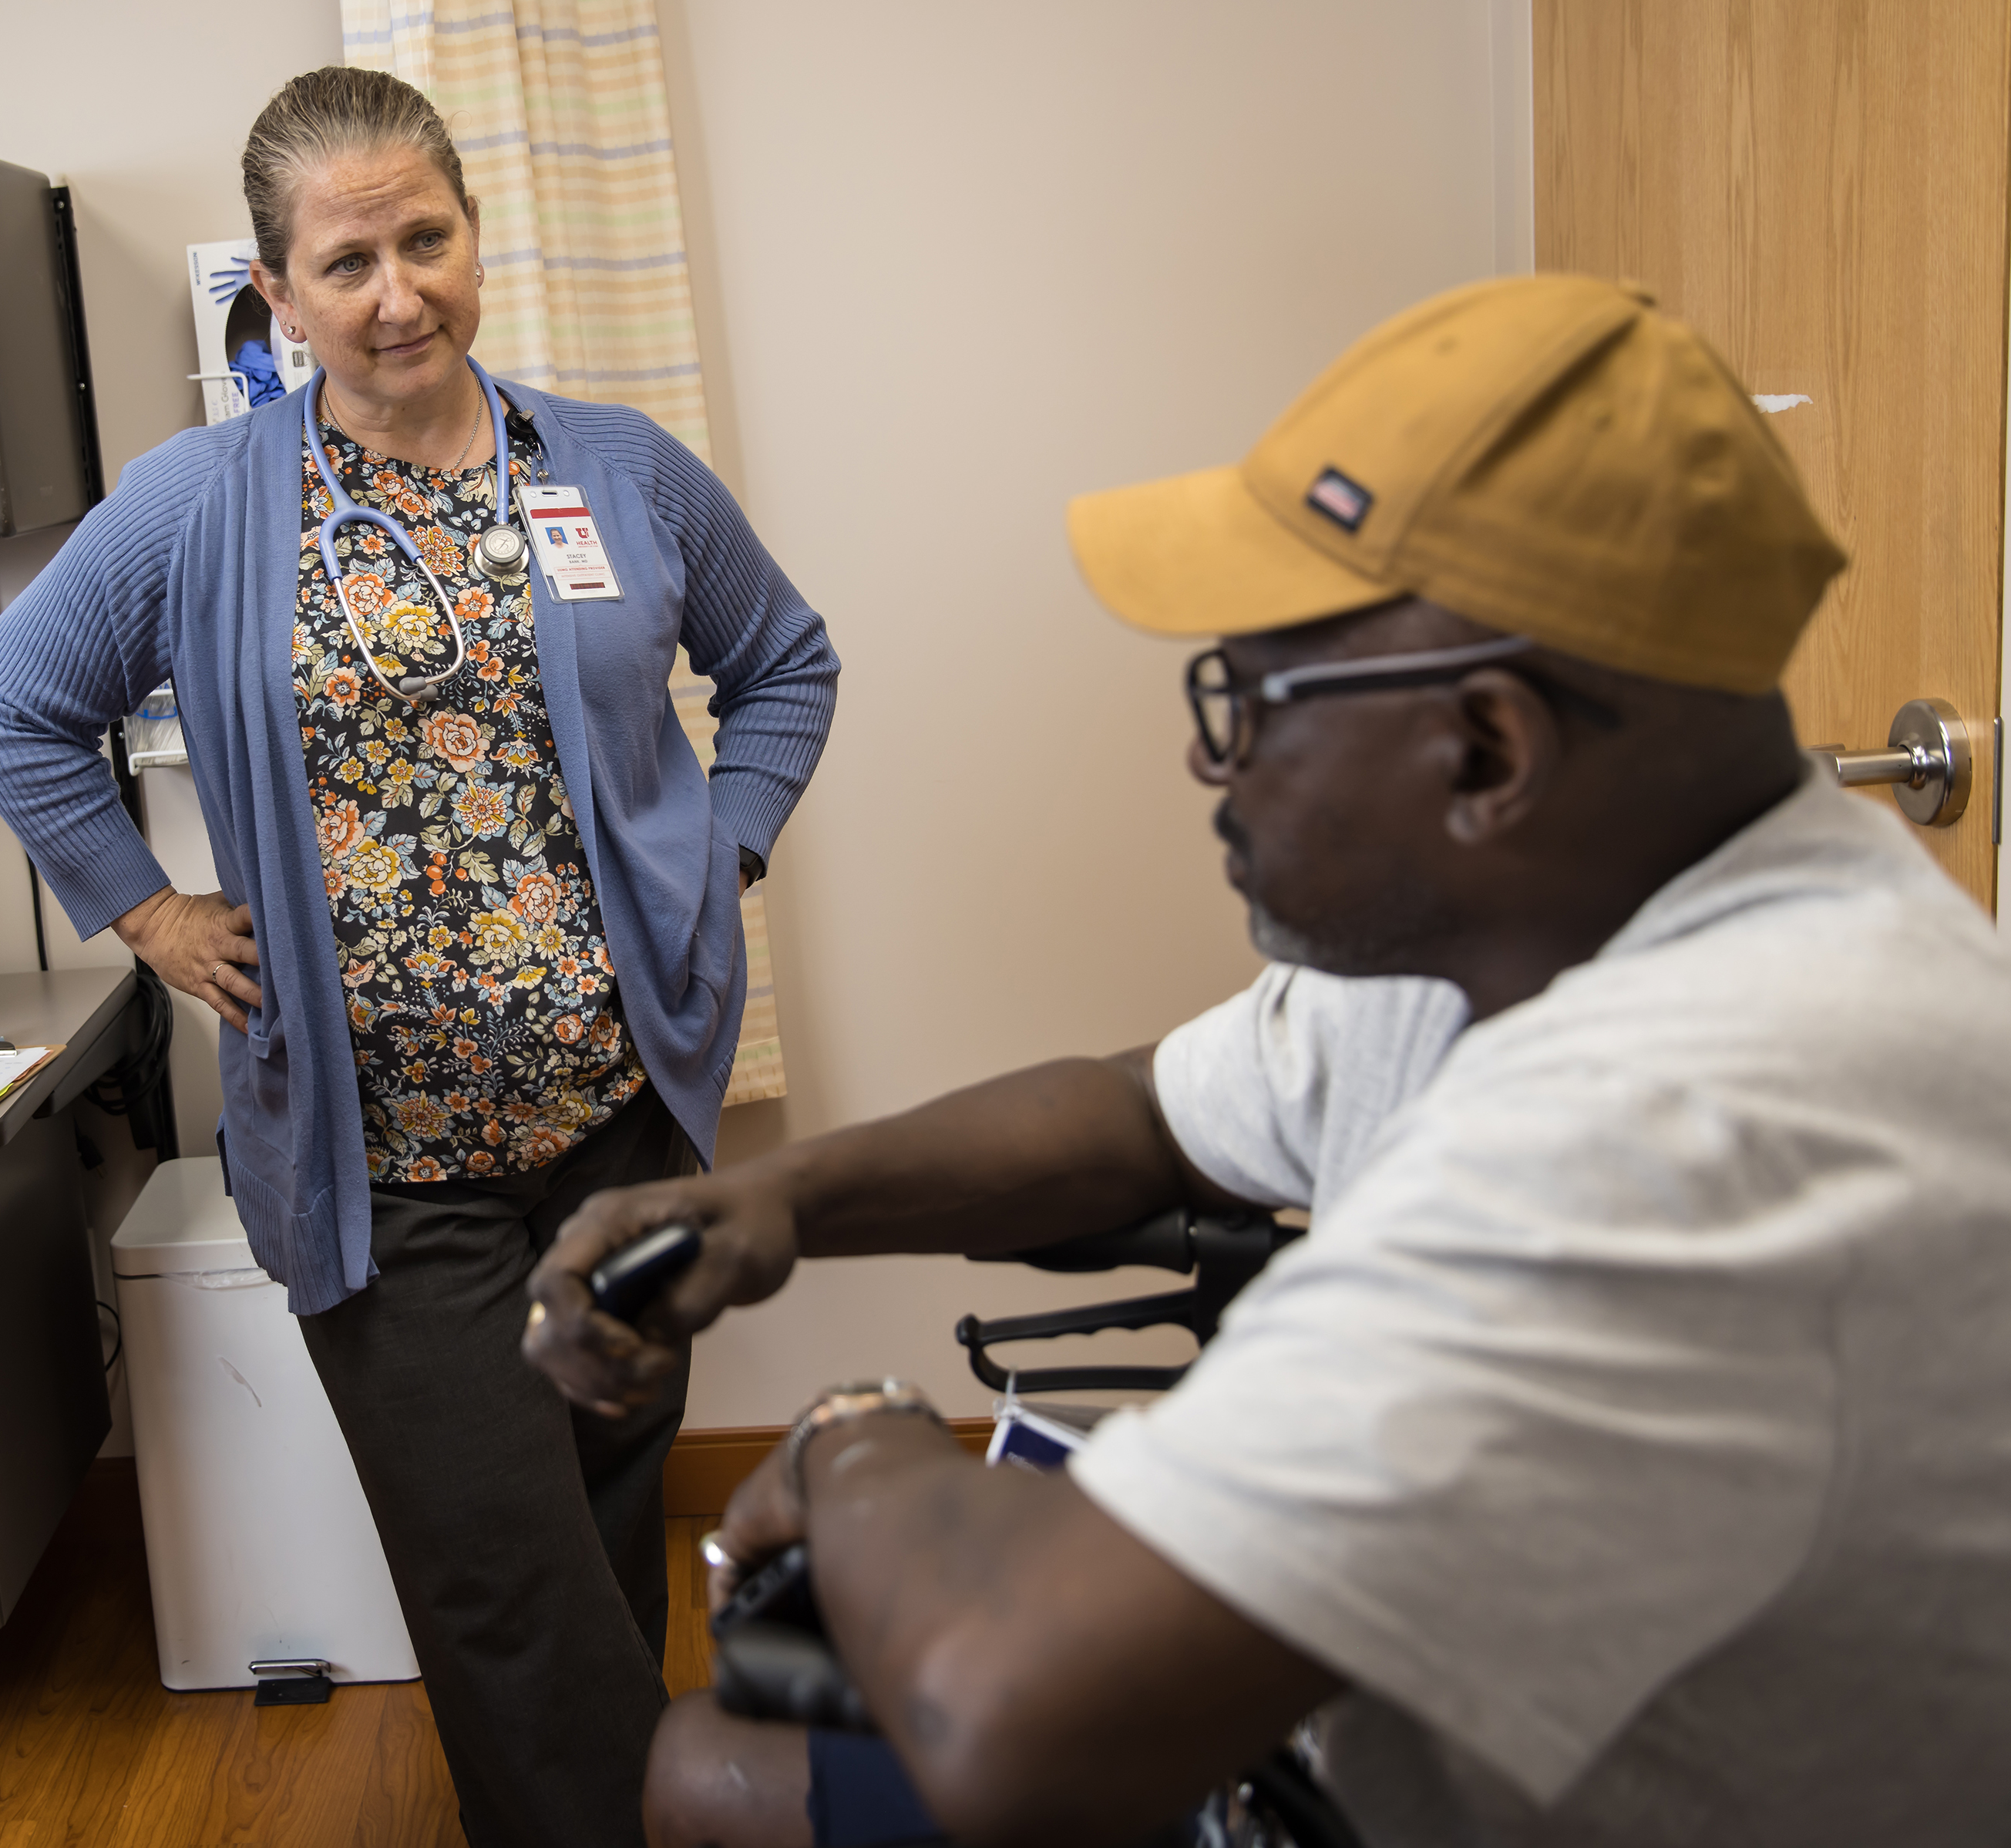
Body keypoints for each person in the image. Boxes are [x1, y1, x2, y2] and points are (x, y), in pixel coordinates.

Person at [526, 274, 2011, 1847]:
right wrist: (786, 1205)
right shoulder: (1539, 906)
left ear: (1484, 750)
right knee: (707, 1767)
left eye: (1248, 697)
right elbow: (1139, 1111)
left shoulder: (1692, 1121)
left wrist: (852, 1436)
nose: (1202, 753)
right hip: (1404, 1713)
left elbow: (1011, 1713)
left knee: (774, 1751)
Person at [0, 66, 837, 1847]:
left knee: (596, 1506)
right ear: (274, 293)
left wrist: (711, 855)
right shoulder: (200, 503)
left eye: (424, 238)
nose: (396, 291)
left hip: (618, 1117)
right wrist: (142, 905)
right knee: (500, 1577)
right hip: (389, 1162)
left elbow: (784, 663)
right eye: (343, 261)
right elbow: (10, 703)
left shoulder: (615, 467)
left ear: (470, 233)